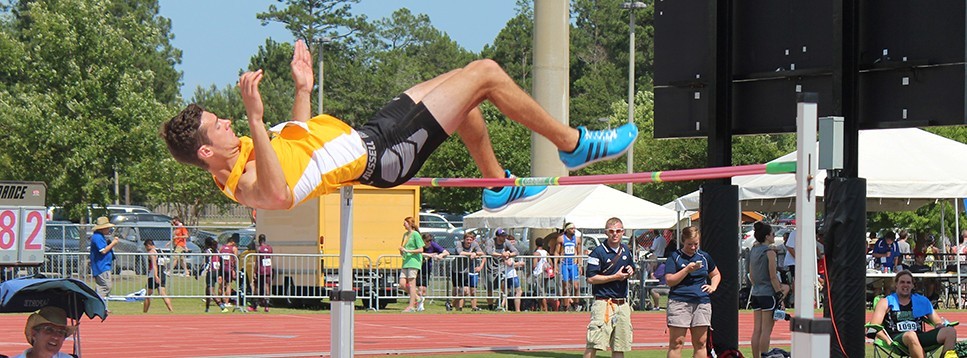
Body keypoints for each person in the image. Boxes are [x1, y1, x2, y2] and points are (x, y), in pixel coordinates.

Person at [160, 40, 638, 212]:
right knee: (487, 73)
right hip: (383, 157)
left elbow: (298, 141)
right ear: (206, 152)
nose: (227, 122)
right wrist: (257, 119)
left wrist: (302, 89)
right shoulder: (243, 184)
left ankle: (496, 185)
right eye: (217, 125)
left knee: (467, 92)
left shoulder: (248, 149)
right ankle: (573, 144)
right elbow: (281, 195)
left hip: (373, 131)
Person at [868, 270, 958, 358]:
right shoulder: (885, 302)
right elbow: (874, 327)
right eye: (902, 282)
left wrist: (940, 325)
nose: (905, 285)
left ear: (912, 285)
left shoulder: (921, 301)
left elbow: (937, 321)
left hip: (919, 336)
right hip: (897, 338)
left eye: (908, 282)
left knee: (950, 331)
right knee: (910, 335)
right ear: (896, 284)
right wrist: (887, 340)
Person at [583, 217, 636, 358]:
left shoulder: (625, 250)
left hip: (622, 302)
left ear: (622, 232)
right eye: (611, 231)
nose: (615, 234)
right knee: (594, 343)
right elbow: (591, 278)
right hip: (604, 302)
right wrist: (614, 277)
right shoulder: (598, 252)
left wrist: (631, 269)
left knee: (620, 345)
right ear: (606, 232)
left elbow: (632, 266)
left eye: (618, 231)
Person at [665, 226, 721, 358]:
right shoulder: (675, 257)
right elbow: (670, 280)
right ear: (683, 241)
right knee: (677, 342)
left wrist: (713, 286)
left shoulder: (704, 256)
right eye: (690, 244)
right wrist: (686, 270)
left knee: (701, 342)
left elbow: (716, 274)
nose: (693, 247)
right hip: (679, 301)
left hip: (701, 302)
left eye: (696, 244)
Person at [748, 222, 787, 358]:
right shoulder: (769, 252)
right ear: (767, 236)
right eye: (772, 234)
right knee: (766, 330)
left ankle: (755, 356)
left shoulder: (754, 250)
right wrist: (779, 294)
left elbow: (751, 275)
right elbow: (772, 276)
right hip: (768, 293)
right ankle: (764, 355)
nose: (774, 236)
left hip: (756, 292)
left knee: (756, 329)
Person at [484, 228, 519, 310]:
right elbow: (489, 252)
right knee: (490, 288)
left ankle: (501, 305)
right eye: (502, 236)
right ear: (497, 236)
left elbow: (516, 252)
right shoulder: (491, 241)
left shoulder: (506, 242)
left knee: (504, 286)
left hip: (501, 267)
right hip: (490, 267)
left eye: (505, 236)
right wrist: (501, 255)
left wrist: (509, 254)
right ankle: (490, 306)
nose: (504, 238)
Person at [88, 216, 118, 310]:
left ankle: (101, 307)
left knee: (101, 287)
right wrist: (113, 243)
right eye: (107, 228)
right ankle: (96, 304)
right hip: (101, 266)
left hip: (104, 265)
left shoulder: (100, 237)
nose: (109, 229)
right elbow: (103, 251)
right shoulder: (97, 237)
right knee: (106, 286)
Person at [452, 232, 485, 311]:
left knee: (465, 291)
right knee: (457, 290)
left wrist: (475, 253)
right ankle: (456, 307)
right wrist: (471, 254)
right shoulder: (459, 243)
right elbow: (460, 252)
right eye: (467, 239)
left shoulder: (475, 244)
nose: (469, 241)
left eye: (470, 240)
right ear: (464, 239)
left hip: (466, 271)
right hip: (457, 270)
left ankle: (452, 305)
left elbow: (481, 253)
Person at [399, 217, 425, 312]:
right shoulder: (405, 235)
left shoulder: (415, 234)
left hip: (414, 261)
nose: (404, 225)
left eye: (405, 223)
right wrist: (402, 251)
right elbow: (403, 247)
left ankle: (411, 306)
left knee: (411, 284)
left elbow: (421, 249)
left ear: (410, 223)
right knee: (402, 284)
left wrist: (408, 250)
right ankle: (418, 298)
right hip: (406, 261)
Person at [417, 233, 449, 308]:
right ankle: (416, 303)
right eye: (427, 241)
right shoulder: (419, 244)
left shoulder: (433, 245)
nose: (428, 243)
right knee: (416, 287)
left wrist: (440, 255)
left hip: (426, 268)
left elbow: (446, 252)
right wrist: (429, 255)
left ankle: (421, 305)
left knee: (423, 288)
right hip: (416, 267)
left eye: (430, 241)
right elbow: (416, 252)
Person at [557, 222, 583, 311]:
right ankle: (565, 306)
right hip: (564, 264)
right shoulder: (561, 239)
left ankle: (576, 304)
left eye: (574, 228)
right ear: (567, 230)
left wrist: (580, 264)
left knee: (576, 286)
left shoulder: (577, 239)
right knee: (565, 286)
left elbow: (579, 252)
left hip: (573, 264)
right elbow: (557, 252)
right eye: (572, 229)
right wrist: (556, 265)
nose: (574, 230)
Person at [142, 240, 174, 313]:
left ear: (148, 245)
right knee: (163, 293)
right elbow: (165, 262)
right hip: (162, 272)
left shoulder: (151, 252)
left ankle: (144, 311)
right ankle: (171, 310)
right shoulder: (160, 251)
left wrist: (155, 275)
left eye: (146, 247)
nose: (146, 249)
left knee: (148, 294)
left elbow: (154, 265)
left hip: (154, 274)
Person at [250, 234, 273, 312]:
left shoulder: (259, 248)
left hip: (261, 270)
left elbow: (257, 261)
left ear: (259, 240)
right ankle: (266, 305)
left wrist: (254, 271)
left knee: (256, 286)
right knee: (267, 286)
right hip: (268, 269)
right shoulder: (270, 248)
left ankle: (255, 305)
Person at [218, 234, 239, 312]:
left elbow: (218, 257)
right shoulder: (234, 248)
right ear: (232, 241)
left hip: (222, 268)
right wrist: (235, 270)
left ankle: (220, 301)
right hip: (229, 268)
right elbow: (235, 259)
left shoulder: (221, 248)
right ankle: (226, 302)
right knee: (228, 285)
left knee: (221, 285)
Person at [201, 237, 221, 313]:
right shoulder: (217, 251)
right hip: (216, 271)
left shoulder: (208, 251)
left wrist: (199, 272)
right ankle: (207, 308)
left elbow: (205, 263)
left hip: (211, 271)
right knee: (207, 290)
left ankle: (220, 304)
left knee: (210, 290)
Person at [531, 237, 552, 312]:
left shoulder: (536, 253)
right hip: (545, 273)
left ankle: (545, 308)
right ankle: (541, 308)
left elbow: (534, 265)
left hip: (539, 273)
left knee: (541, 292)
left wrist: (530, 271)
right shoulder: (546, 252)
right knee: (543, 291)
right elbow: (550, 262)